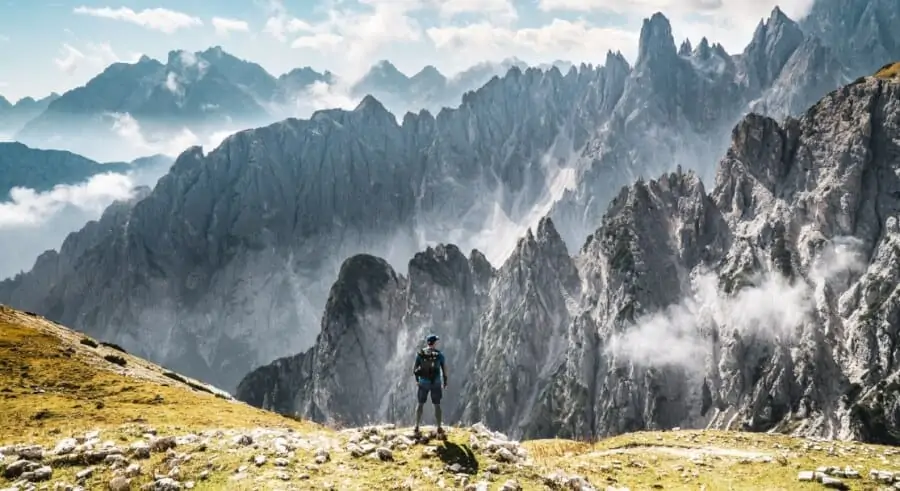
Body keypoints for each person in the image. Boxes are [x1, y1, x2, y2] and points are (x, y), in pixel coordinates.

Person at [413, 334, 448, 436]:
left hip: (423, 383)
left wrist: (417, 380)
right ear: (434, 343)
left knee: (420, 404)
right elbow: (444, 369)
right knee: (437, 405)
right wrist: (445, 381)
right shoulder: (439, 355)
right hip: (436, 383)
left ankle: (416, 426)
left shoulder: (420, 354)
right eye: (436, 341)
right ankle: (439, 427)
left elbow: (415, 369)